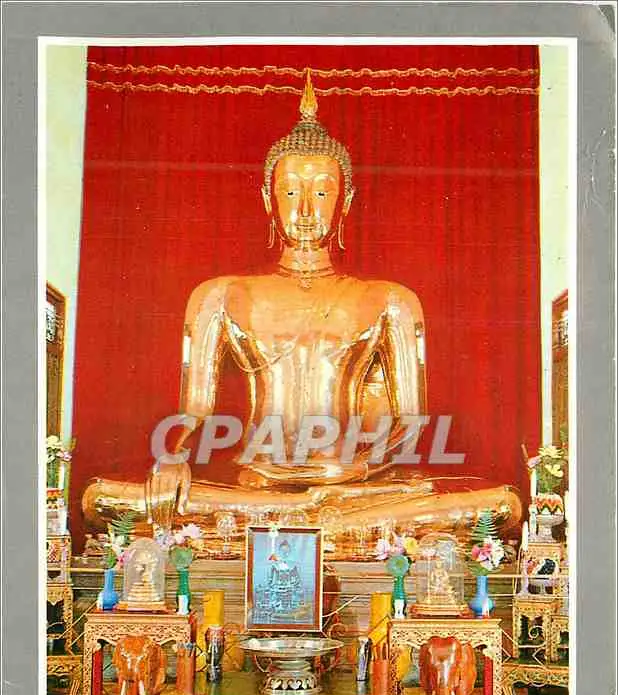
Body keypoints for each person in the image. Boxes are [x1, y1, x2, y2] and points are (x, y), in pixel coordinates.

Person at [83, 71, 520, 542]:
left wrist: (356, 474)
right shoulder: (222, 295)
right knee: (102, 499)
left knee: (502, 505)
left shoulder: (389, 300)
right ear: (267, 199)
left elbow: (409, 425)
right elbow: (194, 413)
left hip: (351, 485)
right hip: (255, 483)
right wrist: (172, 459)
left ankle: (297, 519)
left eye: (322, 192)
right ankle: (318, 521)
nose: (306, 210)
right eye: (291, 191)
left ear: (345, 200)